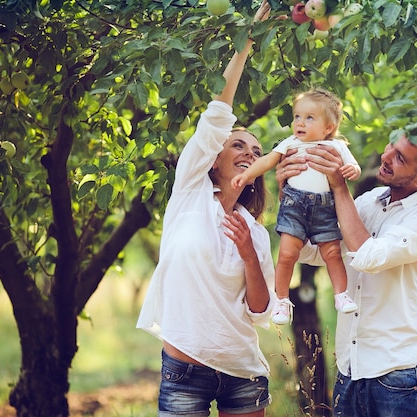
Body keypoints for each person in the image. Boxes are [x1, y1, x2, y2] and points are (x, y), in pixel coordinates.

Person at [136, 2, 277, 416]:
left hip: (244, 372)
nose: (249, 153)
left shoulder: (256, 230)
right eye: (238, 145)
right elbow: (218, 115)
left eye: (257, 150)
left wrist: (250, 254)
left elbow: (260, 310)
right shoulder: (189, 195)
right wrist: (246, 42)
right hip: (185, 370)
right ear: (213, 158)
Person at [276, 121, 417, 417]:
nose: (386, 156)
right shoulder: (369, 201)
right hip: (351, 371)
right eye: (391, 145)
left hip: (400, 375)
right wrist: (291, 194)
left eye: (400, 158)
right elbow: (312, 250)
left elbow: (368, 256)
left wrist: (338, 186)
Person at [231, 88, 361, 325]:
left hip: (324, 208)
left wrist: (352, 169)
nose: (300, 123)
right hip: (294, 205)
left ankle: (341, 294)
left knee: (332, 253)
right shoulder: (290, 143)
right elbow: (267, 160)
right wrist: (247, 174)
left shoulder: (338, 147)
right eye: (297, 117)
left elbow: (353, 166)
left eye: (309, 118)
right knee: (287, 253)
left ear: (328, 128)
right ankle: (281, 300)